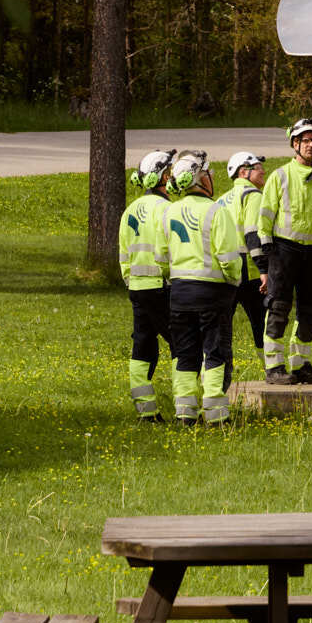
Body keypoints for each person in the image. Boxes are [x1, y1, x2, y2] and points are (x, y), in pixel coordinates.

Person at [164, 149, 244, 426]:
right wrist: (234, 282)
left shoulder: (169, 211)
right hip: (212, 294)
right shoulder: (216, 211)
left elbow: (162, 257)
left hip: (179, 294)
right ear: (199, 177)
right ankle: (215, 414)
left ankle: (184, 413)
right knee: (214, 352)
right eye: (208, 173)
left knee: (185, 354)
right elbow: (229, 258)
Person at [255, 113, 312, 383]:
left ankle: (300, 365)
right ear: (294, 144)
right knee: (278, 307)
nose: (311, 145)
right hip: (284, 251)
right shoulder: (280, 176)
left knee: (309, 311)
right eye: (305, 140)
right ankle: (274, 367)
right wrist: (266, 246)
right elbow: (265, 215)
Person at [117, 146, 176, 420]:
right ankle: (187, 408)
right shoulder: (167, 209)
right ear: (161, 177)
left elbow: (123, 255)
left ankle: (146, 411)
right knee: (182, 345)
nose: (173, 176)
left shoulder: (129, 211)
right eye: (170, 171)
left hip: (137, 290)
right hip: (162, 288)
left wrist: (131, 281)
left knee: (143, 347)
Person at [215, 149, 267, 387]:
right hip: (248, 270)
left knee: (222, 327)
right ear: (243, 172)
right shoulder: (252, 195)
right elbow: (253, 234)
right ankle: (272, 371)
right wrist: (264, 269)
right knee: (261, 323)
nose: (263, 171)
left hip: (223, 270)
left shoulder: (220, 200)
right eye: (257, 167)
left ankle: (219, 379)